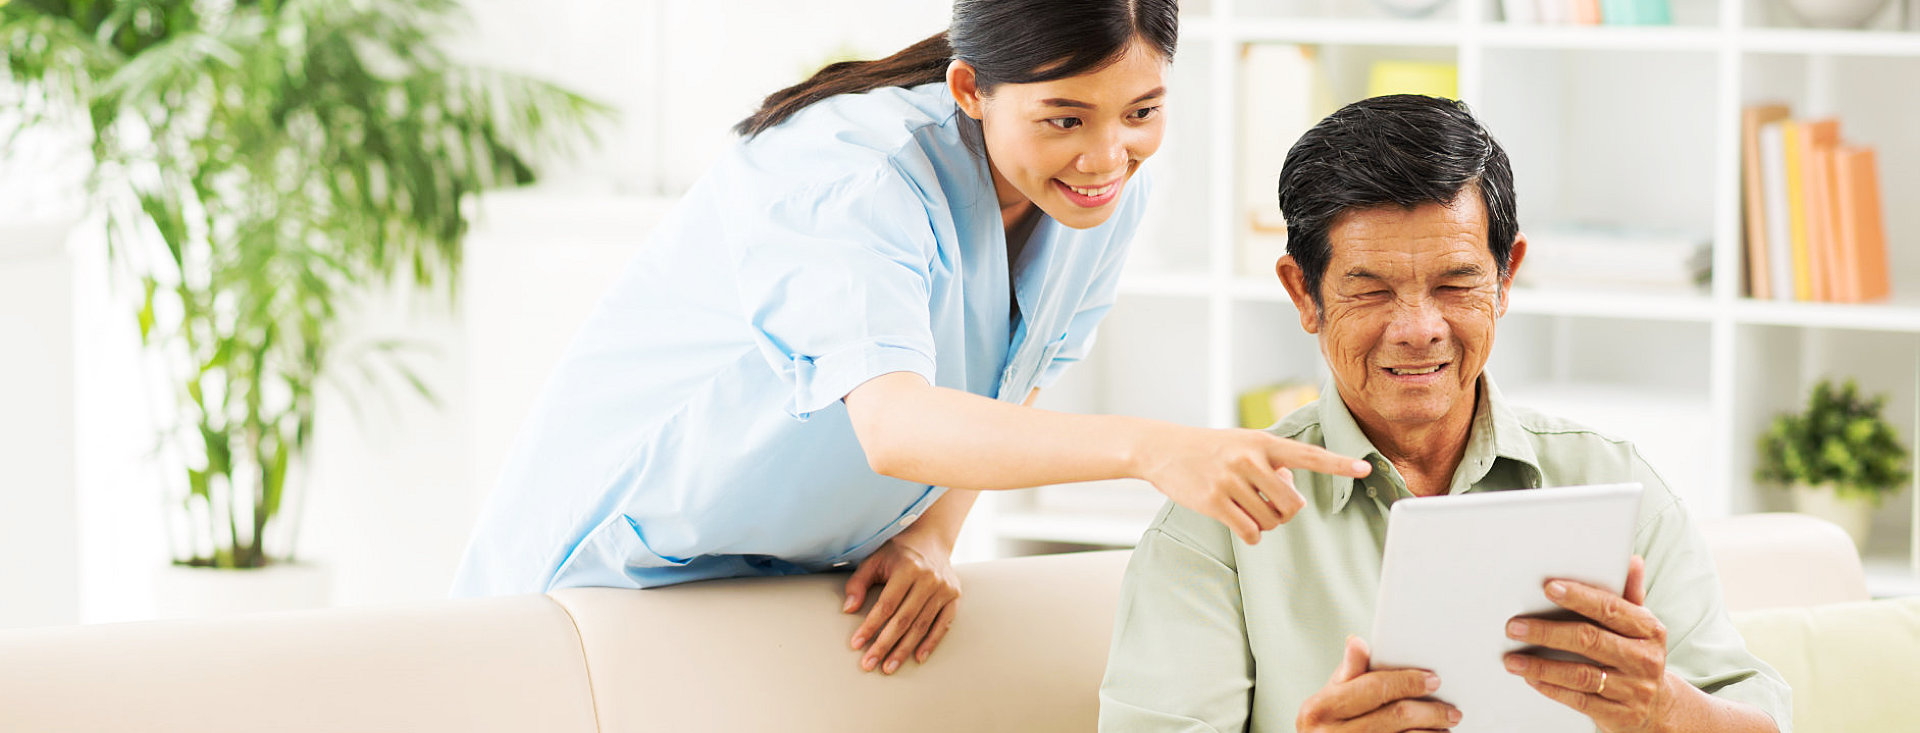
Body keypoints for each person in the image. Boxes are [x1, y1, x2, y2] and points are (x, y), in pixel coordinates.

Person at [452, 0, 1370, 678]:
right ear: (971, 88)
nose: (1107, 155)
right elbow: (895, 421)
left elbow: (1019, 375)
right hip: (612, 570)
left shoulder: (1100, 192)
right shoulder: (852, 171)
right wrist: (1150, 448)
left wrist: (935, 533)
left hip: (790, 583)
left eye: (1142, 111)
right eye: (1065, 119)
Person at [1098, 95, 1790, 732]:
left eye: (1456, 283)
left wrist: (1664, 708)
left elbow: (1761, 718)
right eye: (1370, 291)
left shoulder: (1608, 479)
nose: (1418, 327)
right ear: (1303, 293)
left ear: (1505, 278)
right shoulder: (1214, 522)